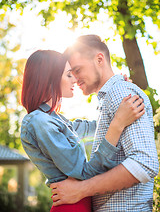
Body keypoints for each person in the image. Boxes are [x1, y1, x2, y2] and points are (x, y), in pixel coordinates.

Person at [20, 49, 145, 212]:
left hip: (80, 202)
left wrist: (119, 93)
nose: (75, 79)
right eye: (68, 74)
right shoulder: (40, 122)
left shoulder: (56, 120)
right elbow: (83, 173)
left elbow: (97, 126)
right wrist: (118, 123)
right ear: (50, 78)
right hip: (72, 206)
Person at [50, 35, 159, 211]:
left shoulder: (121, 93)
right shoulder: (110, 99)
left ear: (99, 59)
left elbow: (145, 163)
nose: (75, 79)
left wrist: (80, 190)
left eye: (77, 70)